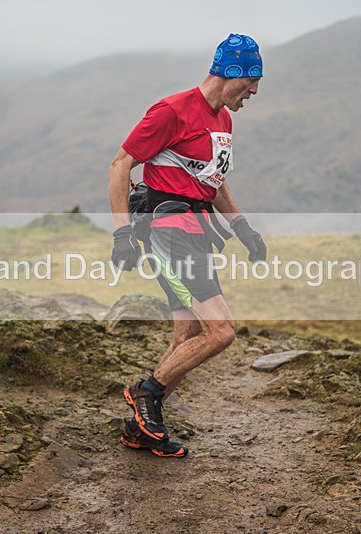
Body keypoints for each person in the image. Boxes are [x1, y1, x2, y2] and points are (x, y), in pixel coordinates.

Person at [108, 33, 267, 458]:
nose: (255, 90)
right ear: (232, 72)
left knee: (189, 330)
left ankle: (140, 428)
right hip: (166, 231)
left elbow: (213, 181)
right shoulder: (172, 111)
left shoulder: (224, 120)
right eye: (252, 80)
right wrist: (122, 232)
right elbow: (120, 164)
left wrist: (243, 228)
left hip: (197, 230)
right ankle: (146, 395)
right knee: (222, 330)